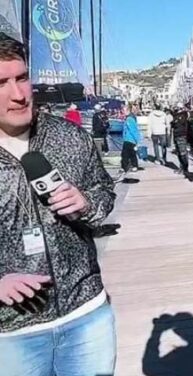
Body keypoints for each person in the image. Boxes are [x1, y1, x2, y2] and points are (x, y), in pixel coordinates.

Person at [0, 33, 117, 376]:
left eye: (22, 78)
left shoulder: (70, 136)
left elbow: (103, 192)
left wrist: (86, 202)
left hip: (87, 315)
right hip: (11, 333)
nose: (19, 94)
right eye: (1, 82)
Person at [121, 104, 141, 173]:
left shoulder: (129, 119)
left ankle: (126, 167)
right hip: (128, 139)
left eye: (123, 110)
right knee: (131, 154)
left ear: (127, 110)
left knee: (126, 154)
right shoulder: (130, 118)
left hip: (129, 139)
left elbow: (133, 130)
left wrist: (137, 141)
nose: (122, 112)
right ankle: (133, 166)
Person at [172, 104, 190, 176]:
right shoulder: (176, 115)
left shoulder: (184, 115)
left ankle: (185, 168)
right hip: (177, 135)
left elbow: (176, 124)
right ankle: (182, 167)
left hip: (181, 135)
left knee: (183, 153)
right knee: (179, 153)